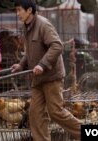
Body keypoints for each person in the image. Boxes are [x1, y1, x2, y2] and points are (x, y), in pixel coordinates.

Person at [11, 0, 82, 140]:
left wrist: (42, 65)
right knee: (35, 114)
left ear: (29, 10)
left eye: (19, 10)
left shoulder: (43, 24)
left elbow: (57, 46)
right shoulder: (27, 27)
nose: (17, 14)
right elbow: (31, 51)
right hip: (37, 79)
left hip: (51, 77)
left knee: (56, 112)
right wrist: (21, 64)